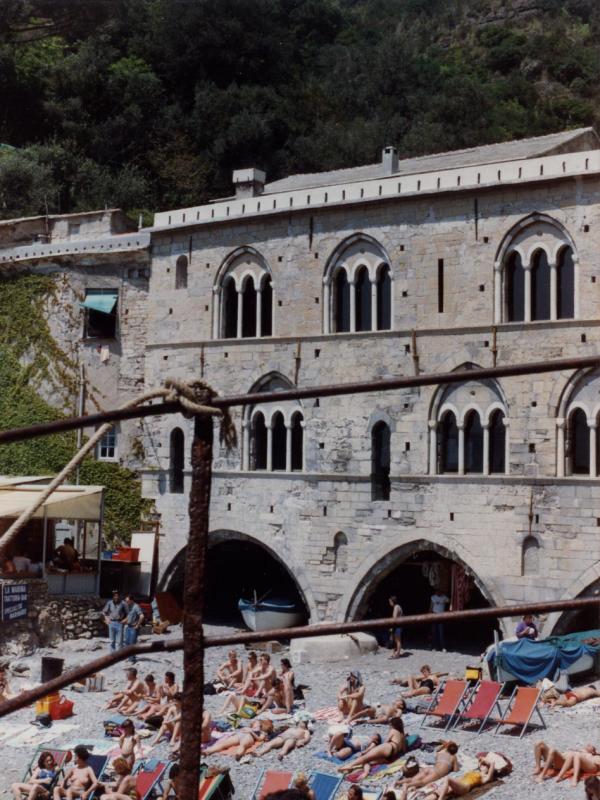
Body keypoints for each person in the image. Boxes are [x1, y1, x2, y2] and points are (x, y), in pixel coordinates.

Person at [337, 718, 406, 779]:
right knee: (368, 761)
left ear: (392, 724)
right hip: (392, 755)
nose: (389, 726)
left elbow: (386, 741)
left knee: (365, 757)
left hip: (389, 747)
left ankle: (349, 765)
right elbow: (403, 750)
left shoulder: (393, 730)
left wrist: (377, 748)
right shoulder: (402, 735)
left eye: (390, 725)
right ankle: (365, 773)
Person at [411, 754, 498, 800]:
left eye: (485, 766)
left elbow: (493, 763)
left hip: (464, 787)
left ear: (489, 768)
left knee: (447, 779)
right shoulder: (475, 771)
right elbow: (480, 759)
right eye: (482, 765)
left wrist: (488, 762)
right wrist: (482, 760)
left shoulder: (485, 777)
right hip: (457, 784)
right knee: (436, 793)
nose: (483, 766)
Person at [393, 741, 459, 791]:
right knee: (423, 782)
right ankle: (407, 785)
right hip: (436, 773)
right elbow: (456, 770)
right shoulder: (453, 757)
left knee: (414, 779)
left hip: (430, 768)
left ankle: (399, 782)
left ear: (447, 749)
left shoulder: (440, 754)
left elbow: (437, 755)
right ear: (455, 752)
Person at [203, 718, 273, 761]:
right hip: (239, 735)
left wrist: (251, 732)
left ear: (261, 725)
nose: (254, 723)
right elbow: (239, 730)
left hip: (249, 736)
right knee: (223, 744)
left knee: (243, 745)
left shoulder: (262, 732)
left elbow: (260, 739)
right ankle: (207, 751)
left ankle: (238, 755)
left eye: (256, 722)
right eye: (255, 722)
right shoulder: (250, 727)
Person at [123, 595, 144, 663]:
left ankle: (132, 659)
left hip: (133, 627)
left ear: (131, 600)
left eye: (127, 601)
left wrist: (138, 625)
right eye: (126, 601)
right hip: (128, 627)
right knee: (127, 643)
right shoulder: (128, 606)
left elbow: (142, 616)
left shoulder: (136, 606)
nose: (126, 602)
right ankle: (128, 657)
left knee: (132, 644)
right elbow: (129, 616)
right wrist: (124, 620)